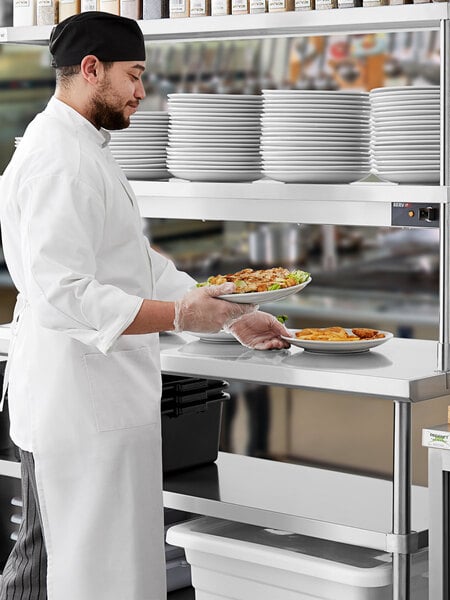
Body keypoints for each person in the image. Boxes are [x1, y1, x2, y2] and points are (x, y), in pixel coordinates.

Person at [0, 11, 289, 600]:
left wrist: (230, 312)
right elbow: (66, 294)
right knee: (51, 566)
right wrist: (183, 317)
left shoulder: (86, 149)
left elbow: (135, 260)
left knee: (87, 565)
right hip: (73, 407)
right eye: (133, 76)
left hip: (101, 402)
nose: (140, 92)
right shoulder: (60, 160)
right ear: (90, 70)